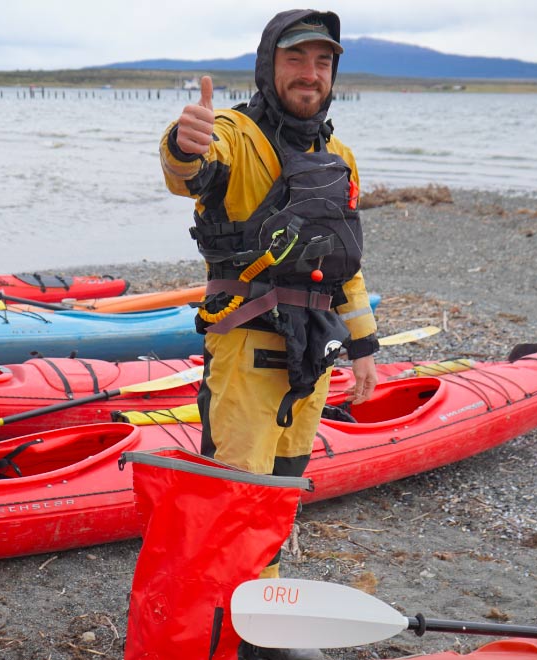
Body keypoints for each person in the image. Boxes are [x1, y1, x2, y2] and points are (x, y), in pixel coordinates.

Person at [160, 9, 377, 660]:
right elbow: (190, 165)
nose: (310, 74)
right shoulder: (236, 132)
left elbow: (346, 263)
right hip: (247, 351)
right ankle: (220, 635)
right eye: (296, 60)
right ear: (268, 66)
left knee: (280, 496)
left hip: (312, 353)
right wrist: (181, 141)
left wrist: (364, 345)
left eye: (322, 62)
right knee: (236, 501)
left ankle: (262, 625)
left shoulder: (338, 157)